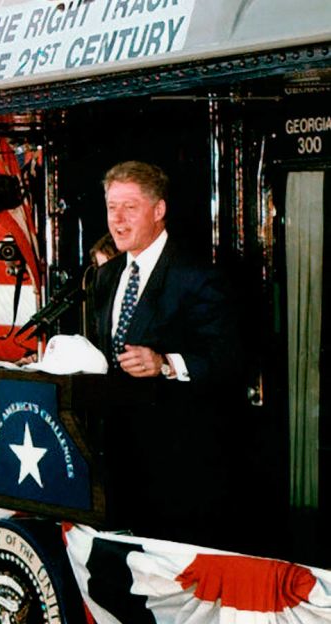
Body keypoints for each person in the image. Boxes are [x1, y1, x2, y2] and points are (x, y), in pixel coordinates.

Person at [89, 160, 241, 548]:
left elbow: (229, 358)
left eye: (130, 207)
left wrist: (166, 363)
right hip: (117, 469)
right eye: (111, 207)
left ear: (159, 211)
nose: (118, 221)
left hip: (180, 474)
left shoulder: (198, 274)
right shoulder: (106, 278)